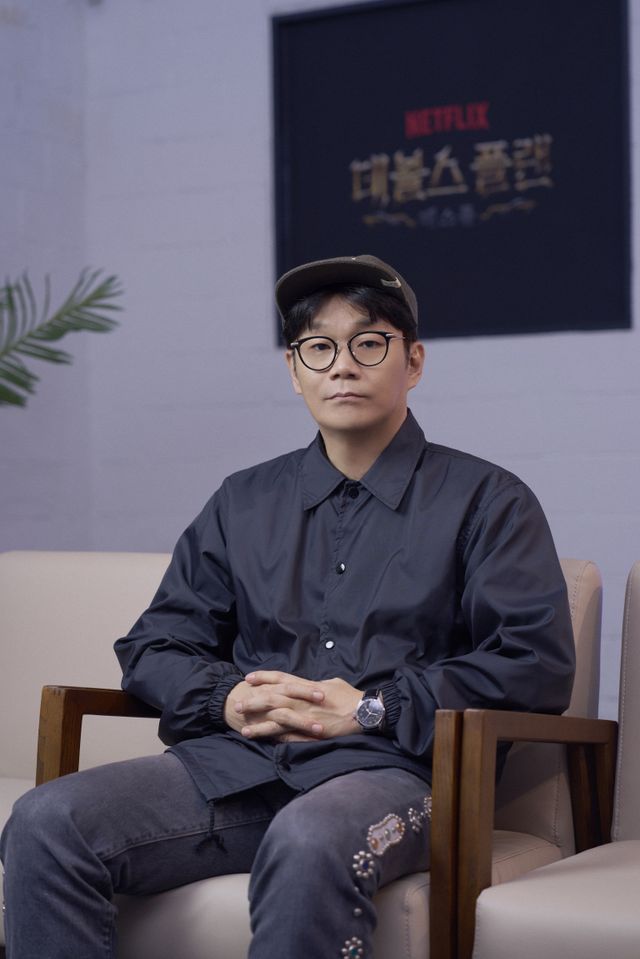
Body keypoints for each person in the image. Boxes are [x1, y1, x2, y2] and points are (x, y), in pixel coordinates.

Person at [0, 254, 575, 959]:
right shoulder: (242, 502)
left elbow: (534, 662)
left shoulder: (488, 500)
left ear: (414, 362)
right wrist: (227, 698)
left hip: (400, 774)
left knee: (309, 837)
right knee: (47, 820)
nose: (343, 366)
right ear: (294, 369)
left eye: (369, 343)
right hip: (240, 767)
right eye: (318, 347)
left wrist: (372, 707)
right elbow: (154, 646)